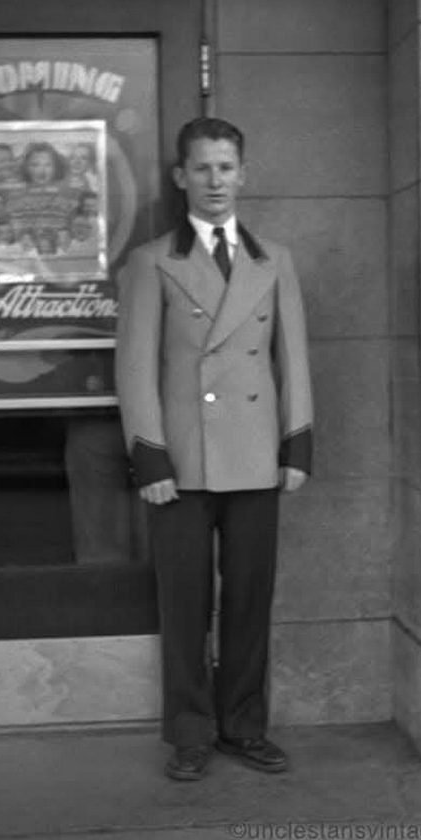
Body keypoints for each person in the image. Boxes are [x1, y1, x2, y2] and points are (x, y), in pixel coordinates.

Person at [115, 117, 312, 782]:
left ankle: (245, 726)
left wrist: (297, 444)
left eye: (226, 167)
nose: (215, 181)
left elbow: (294, 360)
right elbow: (135, 367)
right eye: (202, 168)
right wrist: (151, 458)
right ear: (180, 176)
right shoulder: (150, 261)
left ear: (243, 174)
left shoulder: (272, 259)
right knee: (186, 600)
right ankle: (191, 731)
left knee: (251, 599)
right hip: (182, 460)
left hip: (256, 454)